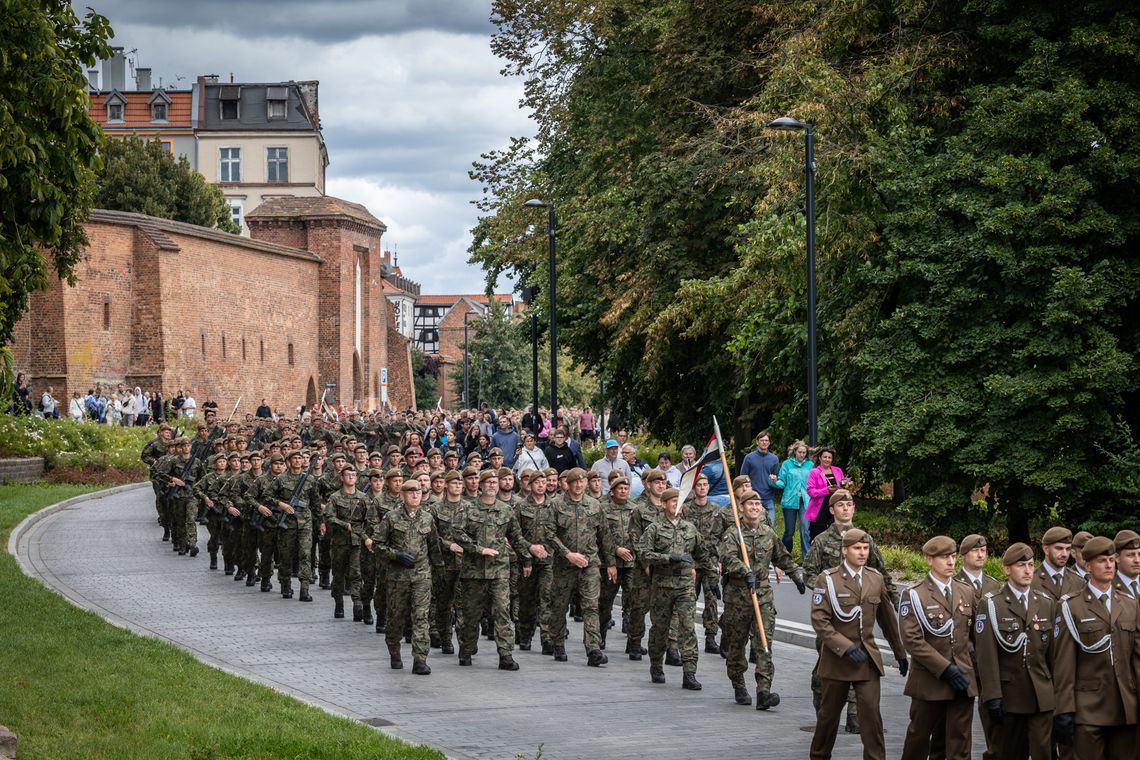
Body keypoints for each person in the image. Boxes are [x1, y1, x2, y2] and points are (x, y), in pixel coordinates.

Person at [809, 528, 908, 760]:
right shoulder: (829, 579)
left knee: (871, 716)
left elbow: (887, 619)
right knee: (828, 717)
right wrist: (845, 647)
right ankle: (819, 756)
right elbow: (820, 620)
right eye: (857, 548)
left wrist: (900, 652)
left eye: (865, 548)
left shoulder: (875, 578)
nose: (862, 552)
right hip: (837, 661)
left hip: (867, 659)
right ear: (845, 551)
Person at [1053, 535, 1140, 759]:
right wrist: (1064, 709)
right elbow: (1064, 664)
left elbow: (1137, 659)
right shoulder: (1071, 606)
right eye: (1102, 561)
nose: (1109, 565)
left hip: (1124, 706)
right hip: (1088, 709)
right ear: (1088, 565)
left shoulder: (1130, 604)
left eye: (1111, 560)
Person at [720, 490, 806, 708]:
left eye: (758, 504)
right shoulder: (733, 534)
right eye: (750, 504)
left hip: (763, 595)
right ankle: (739, 685)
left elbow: (782, 557)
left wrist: (796, 576)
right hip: (738, 597)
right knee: (737, 644)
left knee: (764, 643)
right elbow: (727, 558)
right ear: (741, 508)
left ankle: (764, 691)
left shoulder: (768, 533)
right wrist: (743, 571)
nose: (755, 508)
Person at [974, 543, 1056, 760]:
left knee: (1043, 753)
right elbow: (986, 655)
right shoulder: (992, 603)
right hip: (1009, 696)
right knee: (1006, 753)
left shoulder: (1046, 603)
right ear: (1007, 569)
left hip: (1041, 695)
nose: (1028, 570)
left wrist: (1058, 695)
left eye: (1030, 565)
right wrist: (992, 695)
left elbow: (1053, 655)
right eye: (1021, 565)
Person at [898, 536, 977, 760]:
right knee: (919, 739)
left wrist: (971, 658)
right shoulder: (915, 594)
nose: (951, 562)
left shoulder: (966, 591)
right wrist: (945, 668)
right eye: (944, 557)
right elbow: (912, 640)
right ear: (929, 559)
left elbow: (973, 633)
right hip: (930, 680)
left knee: (959, 742)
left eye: (952, 556)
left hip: (962, 678)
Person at [453, 469, 531, 670]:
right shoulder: (468, 509)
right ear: (481, 485)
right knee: (471, 614)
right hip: (474, 572)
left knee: (502, 612)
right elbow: (457, 533)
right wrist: (478, 549)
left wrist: (527, 558)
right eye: (488, 482)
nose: (492, 486)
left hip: (499, 571)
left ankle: (506, 655)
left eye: (495, 483)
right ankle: (467, 648)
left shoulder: (506, 510)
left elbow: (516, 537)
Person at [637, 487, 713, 690]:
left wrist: (713, 578)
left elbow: (703, 554)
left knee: (687, 628)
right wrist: (667, 558)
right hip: (662, 584)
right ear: (664, 504)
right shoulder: (654, 528)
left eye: (679, 502)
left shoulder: (690, 529)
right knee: (660, 628)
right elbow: (643, 553)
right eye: (673, 502)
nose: (677, 506)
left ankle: (689, 673)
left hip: (685, 585)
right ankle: (656, 665)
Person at [541, 467, 613, 666]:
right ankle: (558, 643)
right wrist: (567, 554)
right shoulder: (556, 505)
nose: (579, 485)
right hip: (564, 565)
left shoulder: (595, 505)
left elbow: (605, 536)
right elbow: (549, 534)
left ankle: (593, 649)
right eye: (575, 482)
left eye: (582, 481)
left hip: (590, 564)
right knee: (559, 606)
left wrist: (611, 564)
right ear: (568, 484)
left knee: (591, 606)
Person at [375, 480, 442, 675]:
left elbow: (434, 547)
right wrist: (395, 555)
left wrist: (439, 570)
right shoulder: (391, 518)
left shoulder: (427, 518)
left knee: (421, 617)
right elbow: (377, 544)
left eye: (418, 492)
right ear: (403, 495)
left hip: (421, 575)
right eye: (411, 492)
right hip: (398, 577)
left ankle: (420, 659)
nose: (415, 495)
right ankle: (394, 651)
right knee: (396, 617)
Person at [684, 474, 728, 654]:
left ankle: (711, 636)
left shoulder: (716, 509)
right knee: (688, 600)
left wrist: (720, 560)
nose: (702, 488)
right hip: (691, 562)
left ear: (709, 487)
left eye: (705, 484)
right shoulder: (686, 509)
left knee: (711, 600)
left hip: (710, 561)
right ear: (694, 488)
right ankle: (686, 636)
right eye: (699, 485)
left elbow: (722, 537)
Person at [323, 465, 370, 621]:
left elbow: (369, 519)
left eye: (353, 474)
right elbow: (329, 517)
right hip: (339, 542)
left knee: (356, 574)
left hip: (357, 542)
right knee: (338, 574)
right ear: (342, 478)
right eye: (348, 474)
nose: (351, 477)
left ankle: (357, 604)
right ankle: (339, 603)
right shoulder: (335, 497)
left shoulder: (363, 497)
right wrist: (345, 525)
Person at [600, 476, 635, 651]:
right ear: (613, 491)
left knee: (633, 603)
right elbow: (601, 536)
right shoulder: (603, 508)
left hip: (631, 564)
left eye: (626, 489)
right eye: (619, 488)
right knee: (605, 602)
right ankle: (600, 636)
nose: (623, 491)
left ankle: (633, 642)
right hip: (610, 563)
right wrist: (615, 550)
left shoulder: (635, 509)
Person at [805, 447, 852, 542]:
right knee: (817, 536)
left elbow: (842, 485)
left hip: (835, 507)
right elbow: (811, 491)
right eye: (825, 457)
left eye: (829, 457)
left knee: (836, 533)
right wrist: (826, 490)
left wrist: (847, 485)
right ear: (820, 458)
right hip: (819, 508)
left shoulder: (838, 470)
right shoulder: (814, 472)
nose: (827, 459)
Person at [1031, 526, 1084, 601]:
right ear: (1046, 549)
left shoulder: (1078, 581)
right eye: (1059, 548)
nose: (1065, 554)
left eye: (1068, 549)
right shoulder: (1031, 580)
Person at [740, 431, 780, 525]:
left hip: (768, 497)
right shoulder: (749, 458)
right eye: (762, 440)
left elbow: (778, 478)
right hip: (753, 497)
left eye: (766, 440)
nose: (764, 442)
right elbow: (743, 477)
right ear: (757, 442)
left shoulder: (774, 459)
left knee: (770, 526)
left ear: (769, 442)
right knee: (753, 526)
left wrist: (775, 479)